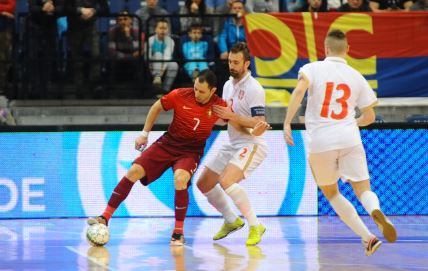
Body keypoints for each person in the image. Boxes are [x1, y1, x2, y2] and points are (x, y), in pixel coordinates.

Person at [283, 29, 397, 256]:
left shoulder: (311, 69)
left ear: (325, 49)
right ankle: (375, 209)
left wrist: (287, 123)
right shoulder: (356, 75)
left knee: (332, 193)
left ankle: (368, 237)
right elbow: (370, 117)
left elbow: (298, 93)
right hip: (349, 137)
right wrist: (352, 123)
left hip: (320, 141)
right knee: (363, 188)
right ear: (347, 50)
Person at [87, 70, 228, 246]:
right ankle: (105, 217)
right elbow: (156, 107)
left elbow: (232, 120)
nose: (197, 94)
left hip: (190, 151)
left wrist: (250, 126)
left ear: (213, 91)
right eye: (195, 89)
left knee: (180, 179)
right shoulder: (180, 95)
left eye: (201, 91)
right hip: (168, 143)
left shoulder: (219, 106)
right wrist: (144, 134)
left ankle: (178, 232)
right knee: (133, 171)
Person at [197, 42, 271, 246]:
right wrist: (212, 117)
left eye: (236, 62)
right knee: (203, 183)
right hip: (233, 141)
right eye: (230, 61)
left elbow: (259, 122)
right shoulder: (228, 84)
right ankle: (231, 219)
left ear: (247, 64)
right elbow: (226, 118)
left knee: (227, 181)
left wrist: (232, 116)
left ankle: (256, 225)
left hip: (252, 142)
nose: (232, 65)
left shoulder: (254, 88)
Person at [147, 19, 178, 94]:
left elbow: (167, 57)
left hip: (164, 65)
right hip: (151, 65)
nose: (163, 31)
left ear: (168, 30)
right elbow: (147, 57)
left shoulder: (170, 41)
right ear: (156, 29)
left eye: (165, 28)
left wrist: (161, 72)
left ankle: (165, 90)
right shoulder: (150, 40)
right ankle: (156, 81)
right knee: (158, 54)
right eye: (161, 28)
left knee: (174, 65)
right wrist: (154, 71)